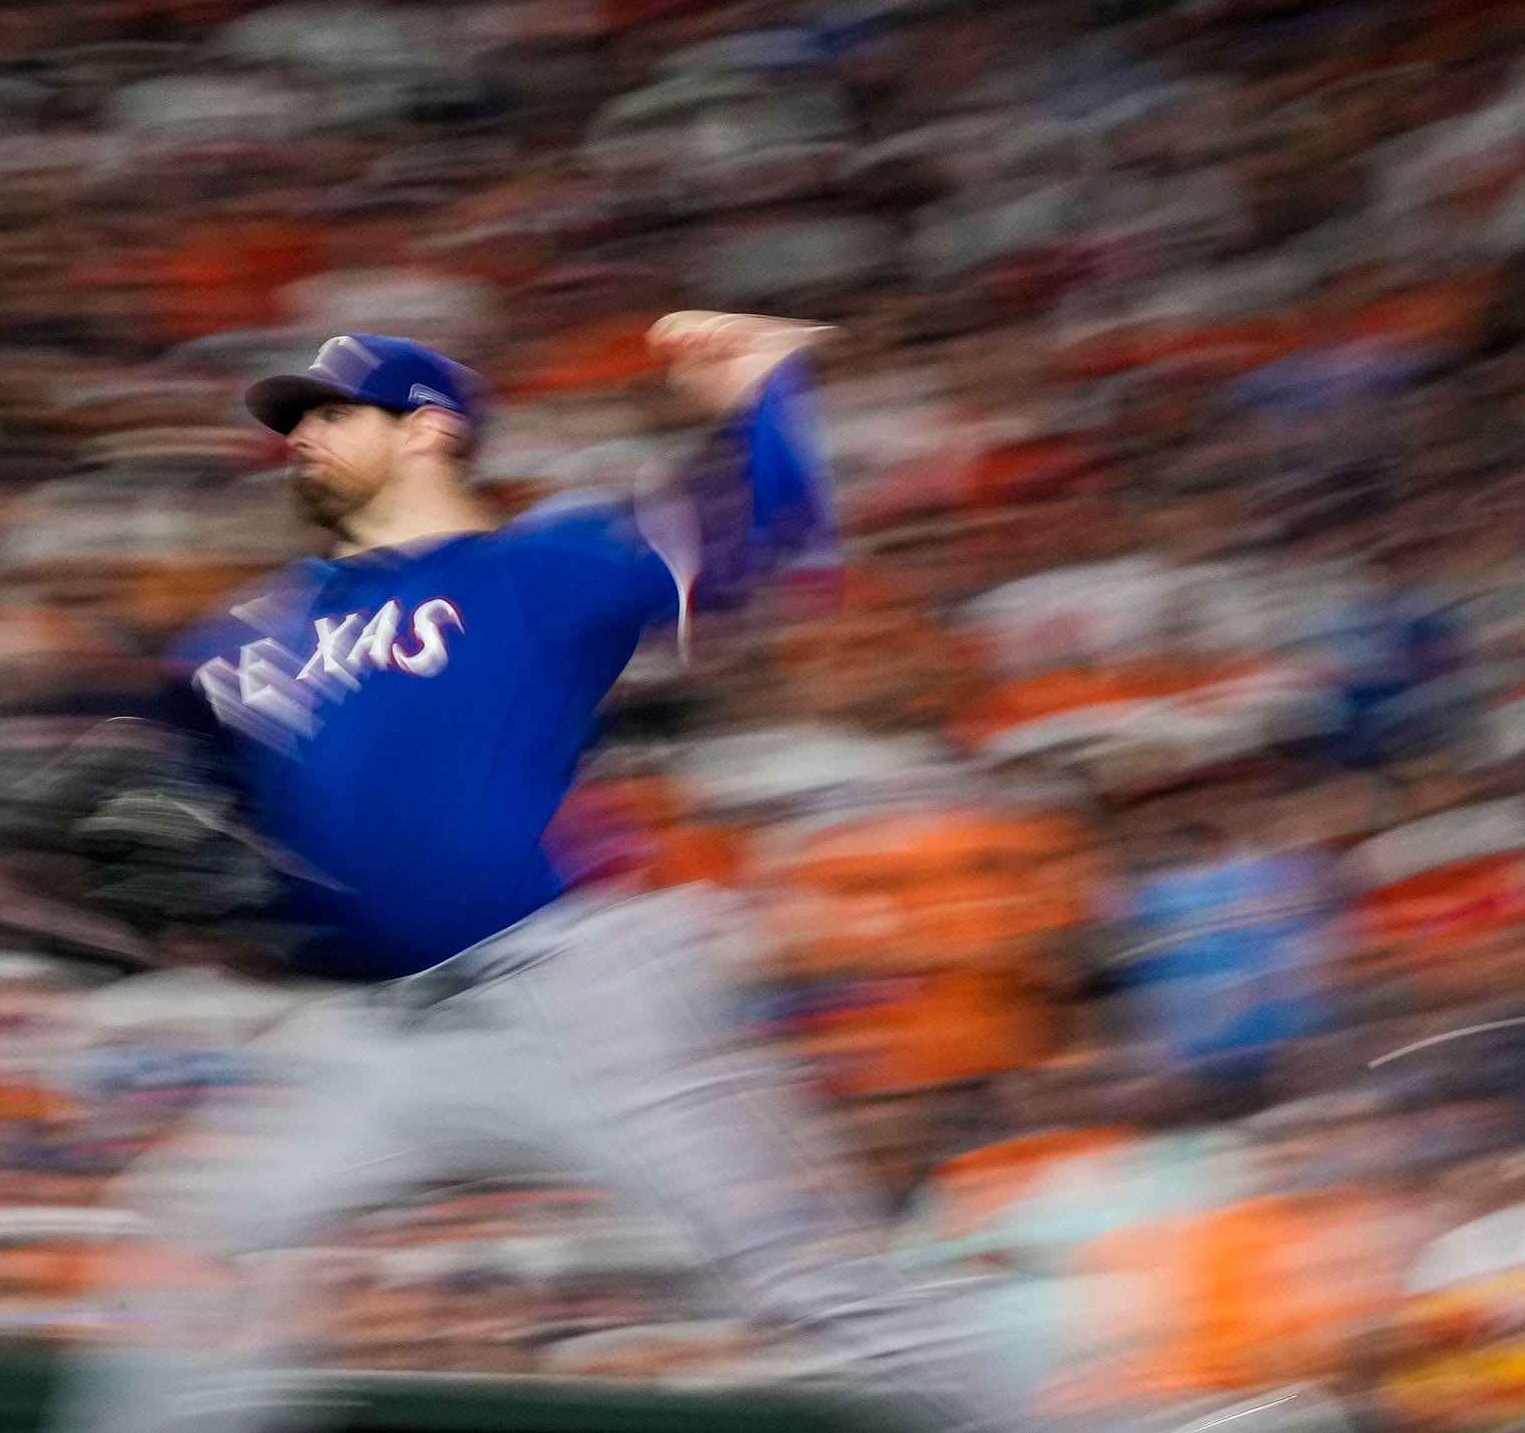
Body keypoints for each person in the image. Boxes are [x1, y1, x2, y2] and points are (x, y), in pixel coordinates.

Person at [55, 315, 1028, 1433]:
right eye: (296, 421)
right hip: (383, 1040)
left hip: (576, 999)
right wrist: (127, 828)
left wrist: (762, 385)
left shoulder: (536, 568)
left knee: (804, 1276)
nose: (302, 438)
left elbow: (767, 529)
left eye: (331, 413)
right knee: (198, 1228)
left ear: (429, 428)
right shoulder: (242, 636)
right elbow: (136, 787)